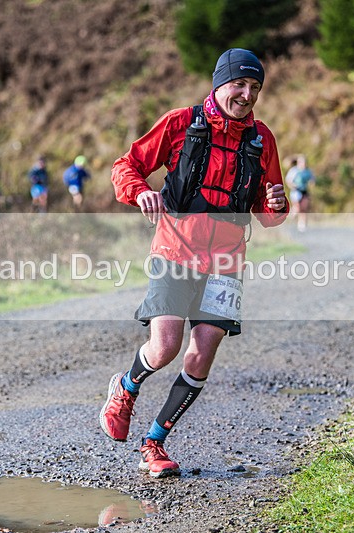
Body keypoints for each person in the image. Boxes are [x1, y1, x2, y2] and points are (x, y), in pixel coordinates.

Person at [101, 48, 288, 478]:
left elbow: (267, 213)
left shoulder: (262, 140)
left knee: (201, 355)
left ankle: (154, 443)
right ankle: (126, 388)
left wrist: (278, 204)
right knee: (165, 347)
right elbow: (126, 166)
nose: (247, 95)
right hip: (175, 249)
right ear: (219, 84)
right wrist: (140, 192)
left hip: (226, 261)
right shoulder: (181, 123)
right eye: (239, 84)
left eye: (255, 87)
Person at [286, 155, 315, 232]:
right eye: (302, 162)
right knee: (297, 208)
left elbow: (312, 179)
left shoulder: (308, 171)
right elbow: (288, 181)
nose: (304, 164)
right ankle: (291, 217)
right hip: (296, 191)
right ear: (298, 162)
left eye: (305, 162)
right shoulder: (294, 171)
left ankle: (302, 225)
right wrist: (293, 186)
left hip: (304, 191)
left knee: (304, 209)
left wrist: (312, 183)